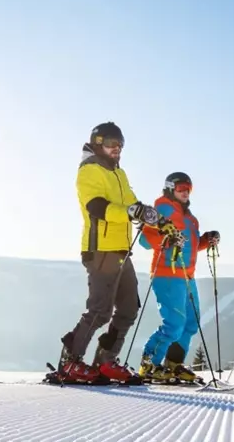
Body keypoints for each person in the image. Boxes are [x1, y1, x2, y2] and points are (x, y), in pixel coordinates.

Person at [55, 122, 160, 384]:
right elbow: (97, 207)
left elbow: (132, 204)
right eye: (112, 144)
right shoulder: (89, 171)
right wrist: (129, 212)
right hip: (100, 250)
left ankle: (106, 361)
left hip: (121, 250)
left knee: (128, 308)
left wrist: (149, 215)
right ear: (98, 142)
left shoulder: (118, 174)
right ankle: (70, 362)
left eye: (120, 145)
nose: (117, 150)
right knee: (100, 310)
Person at [136, 172, 220, 383]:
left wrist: (206, 240)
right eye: (181, 187)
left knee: (191, 323)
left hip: (187, 276)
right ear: (170, 188)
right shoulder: (162, 208)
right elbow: (145, 240)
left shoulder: (190, 219)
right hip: (167, 274)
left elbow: (189, 246)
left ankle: (173, 365)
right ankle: (149, 365)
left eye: (188, 188)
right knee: (174, 323)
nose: (185, 192)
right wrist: (166, 239)